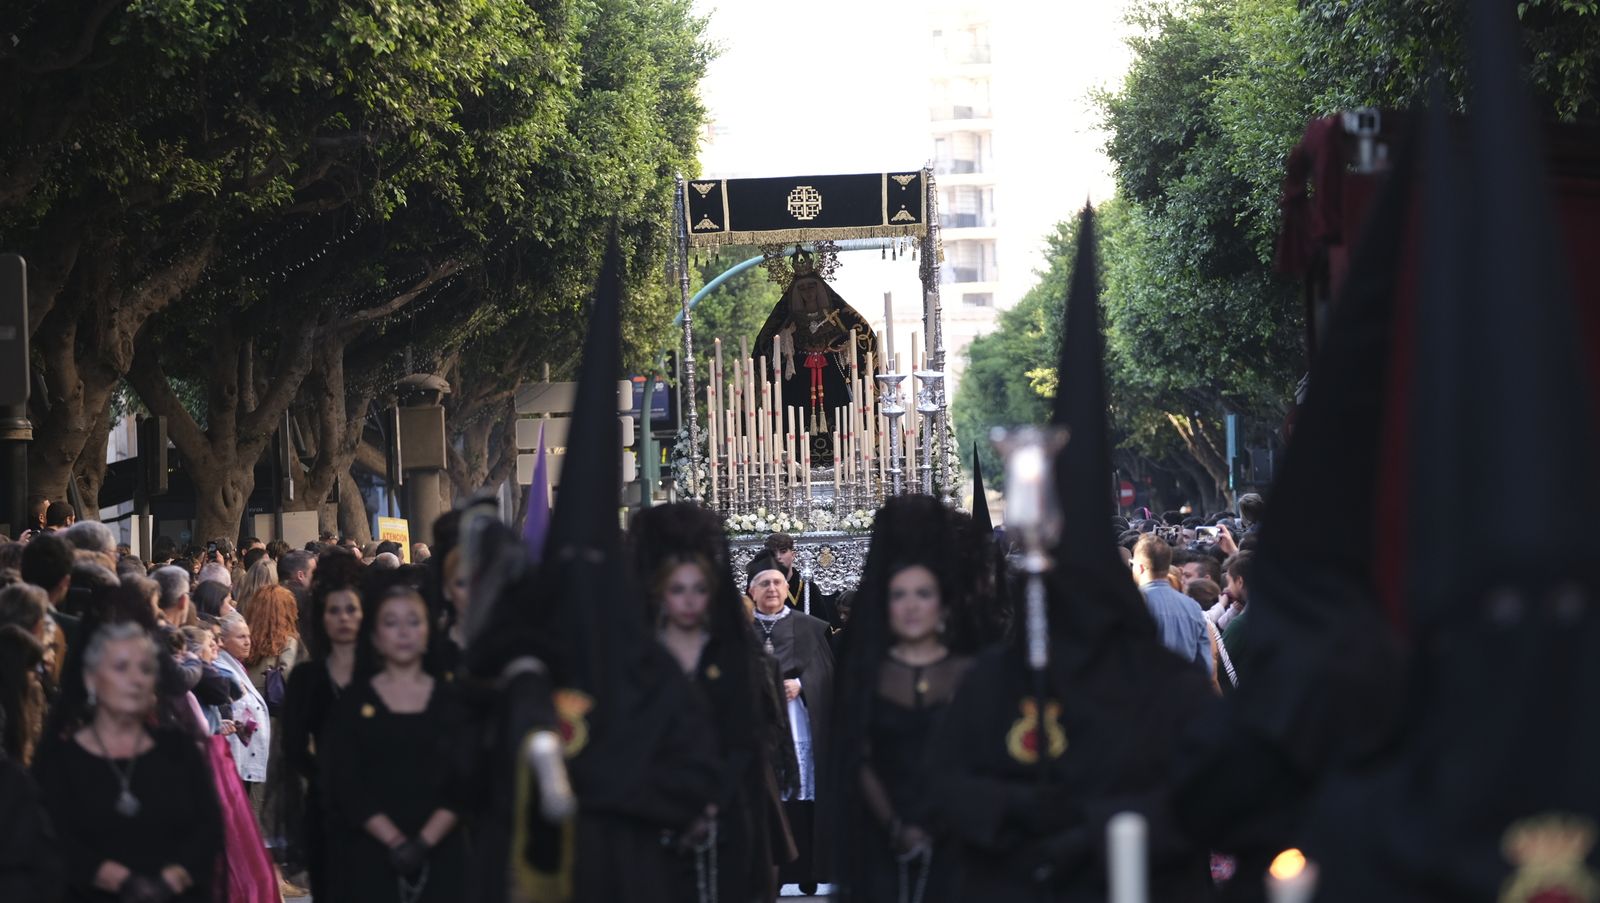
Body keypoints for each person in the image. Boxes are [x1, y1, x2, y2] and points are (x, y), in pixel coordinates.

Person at [628, 504, 789, 903]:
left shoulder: (737, 657)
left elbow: (761, 729)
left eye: (698, 589)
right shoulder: (634, 657)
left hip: (729, 808)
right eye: (676, 590)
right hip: (650, 812)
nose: (688, 601)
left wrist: (717, 797)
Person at [831, 496, 977, 903]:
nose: (912, 607)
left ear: (943, 604)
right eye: (900, 596)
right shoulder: (868, 674)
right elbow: (857, 755)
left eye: (923, 594)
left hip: (958, 840)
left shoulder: (971, 673)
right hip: (883, 843)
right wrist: (896, 825)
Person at [32, 622, 222, 901]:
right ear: (92, 678)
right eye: (121, 668)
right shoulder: (62, 763)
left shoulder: (179, 751)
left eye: (145, 669)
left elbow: (208, 827)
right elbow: (54, 840)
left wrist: (171, 879)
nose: (136, 680)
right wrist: (117, 879)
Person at [324, 585, 470, 902]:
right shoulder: (353, 703)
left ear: (429, 632)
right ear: (375, 636)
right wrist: (394, 841)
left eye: (414, 622)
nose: (403, 632)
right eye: (391, 623)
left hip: (444, 852)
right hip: (371, 852)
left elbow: (466, 777)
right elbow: (345, 781)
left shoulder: (452, 699)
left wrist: (423, 843)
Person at [279, 548, 364, 902]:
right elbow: (294, 748)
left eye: (351, 610)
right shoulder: (307, 678)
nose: (343, 618)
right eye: (334, 611)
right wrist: (324, 776)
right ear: (322, 618)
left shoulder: (380, 674)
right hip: (326, 808)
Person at [747, 549, 834, 892]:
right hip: (759, 728)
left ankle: (808, 870)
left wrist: (801, 684)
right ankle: (770, 871)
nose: (772, 589)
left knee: (802, 793)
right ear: (751, 591)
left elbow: (826, 673)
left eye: (778, 582)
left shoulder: (810, 627)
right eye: (764, 583)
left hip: (800, 723)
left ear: (787, 587)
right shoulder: (741, 629)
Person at [1131, 534, 1212, 675]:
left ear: (1141, 567)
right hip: (1186, 691)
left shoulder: (1132, 605)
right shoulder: (1192, 607)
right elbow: (1205, 666)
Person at [214, 613, 272, 801]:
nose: (248, 642)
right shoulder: (221, 670)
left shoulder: (236, 667)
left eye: (248, 636)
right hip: (233, 758)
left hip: (242, 756)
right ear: (222, 641)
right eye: (241, 637)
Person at [241, 584, 304, 707]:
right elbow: (289, 677)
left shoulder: (245, 636)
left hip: (247, 703)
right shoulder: (288, 641)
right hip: (272, 709)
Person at [764, 532, 838, 628]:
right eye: (773, 553)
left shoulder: (809, 588)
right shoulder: (762, 590)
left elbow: (823, 629)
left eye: (783, 551)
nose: (778, 557)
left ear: (793, 555)